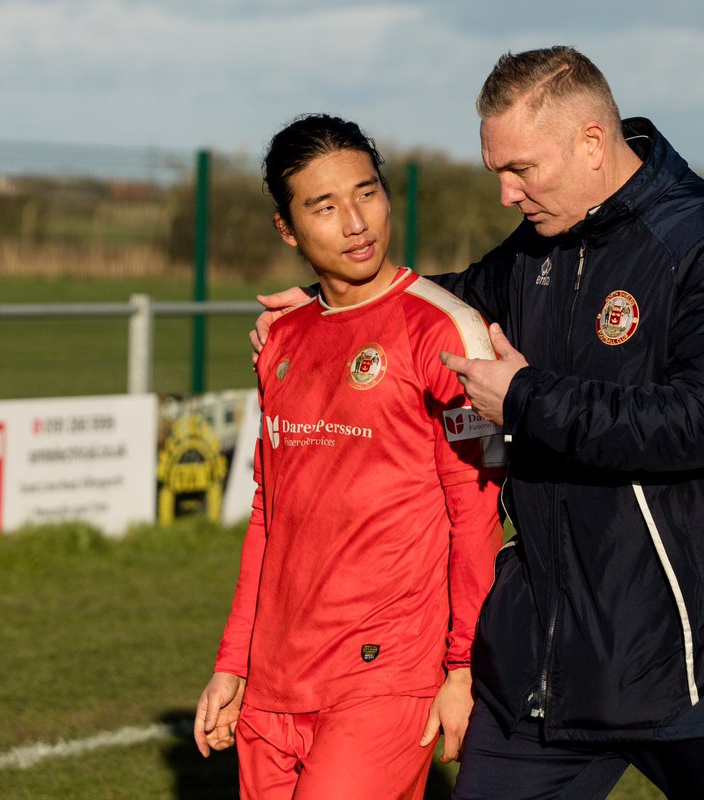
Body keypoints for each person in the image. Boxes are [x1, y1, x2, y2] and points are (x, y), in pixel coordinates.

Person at [253, 48, 704, 799]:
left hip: (695, 659)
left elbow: (701, 423)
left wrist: (525, 398)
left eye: (521, 170)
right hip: (545, 660)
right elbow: (442, 303)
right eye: (495, 173)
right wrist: (335, 312)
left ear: (592, 144)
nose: (507, 194)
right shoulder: (538, 246)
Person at [194, 113, 504, 800]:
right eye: (325, 206)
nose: (356, 221)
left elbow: (475, 514)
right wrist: (234, 663)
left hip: (382, 678)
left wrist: (462, 668)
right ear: (287, 227)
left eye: (367, 193)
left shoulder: (447, 330)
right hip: (275, 682)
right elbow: (269, 514)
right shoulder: (280, 339)